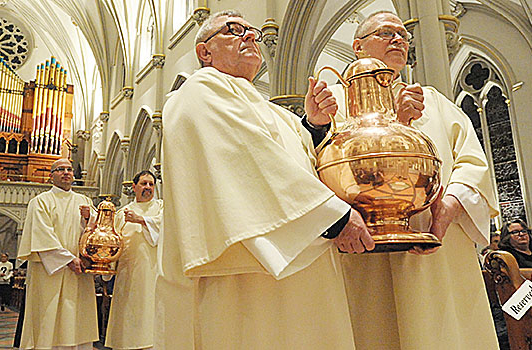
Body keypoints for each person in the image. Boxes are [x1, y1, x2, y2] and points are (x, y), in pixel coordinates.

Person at [156, 9, 374, 350]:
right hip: (248, 273)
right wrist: (335, 218)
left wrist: (313, 126)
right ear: (204, 52)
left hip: (301, 259)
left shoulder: (268, 107)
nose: (250, 36)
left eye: (252, 31)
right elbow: (250, 159)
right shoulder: (199, 91)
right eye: (234, 29)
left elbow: (294, 158)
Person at [306, 11, 500, 349]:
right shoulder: (331, 102)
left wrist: (449, 207)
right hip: (362, 252)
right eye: (385, 33)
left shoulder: (434, 101)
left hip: (434, 250)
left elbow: (472, 161)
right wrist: (315, 124)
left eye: (403, 35)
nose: (399, 39)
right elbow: (306, 165)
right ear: (357, 46)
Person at [17, 158, 98, 349]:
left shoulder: (84, 201)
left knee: (78, 317)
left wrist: (90, 218)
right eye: (60, 169)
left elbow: (97, 233)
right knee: (48, 317)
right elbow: (42, 235)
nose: (66, 173)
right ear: (51, 175)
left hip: (79, 270)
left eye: (69, 169)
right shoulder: (40, 202)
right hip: (50, 271)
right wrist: (69, 260)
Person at [102, 170, 162, 350]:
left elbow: (165, 230)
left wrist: (142, 220)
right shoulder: (122, 213)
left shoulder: (161, 208)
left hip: (154, 274)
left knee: (151, 318)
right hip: (128, 275)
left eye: (151, 184)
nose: (148, 188)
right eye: (144, 184)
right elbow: (112, 242)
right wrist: (106, 266)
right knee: (127, 319)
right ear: (134, 187)